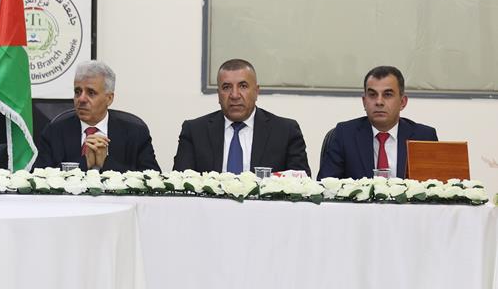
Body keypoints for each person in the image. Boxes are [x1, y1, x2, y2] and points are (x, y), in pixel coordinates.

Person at [172, 58, 310, 174]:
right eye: (226, 87)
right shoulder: (195, 131)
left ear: (256, 92)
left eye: (243, 86)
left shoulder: (285, 132)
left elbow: (301, 187)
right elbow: (179, 185)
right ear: (218, 94)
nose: (234, 95)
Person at [35, 61, 159, 172]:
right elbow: (38, 179)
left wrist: (106, 163)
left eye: (91, 93)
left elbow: (152, 180)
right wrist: (85, 163)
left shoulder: (135, 132)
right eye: (77, 92)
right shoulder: (55, 131)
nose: (81, 99)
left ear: (109, 98)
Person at [317, 66, 437, 179]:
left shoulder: (423, 137)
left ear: (402, 102)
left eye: (387, 95)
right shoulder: (344, 135)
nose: (379, 102)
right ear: (364, 102)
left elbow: (435, 186)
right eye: (372, 95)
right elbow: (326, 185)